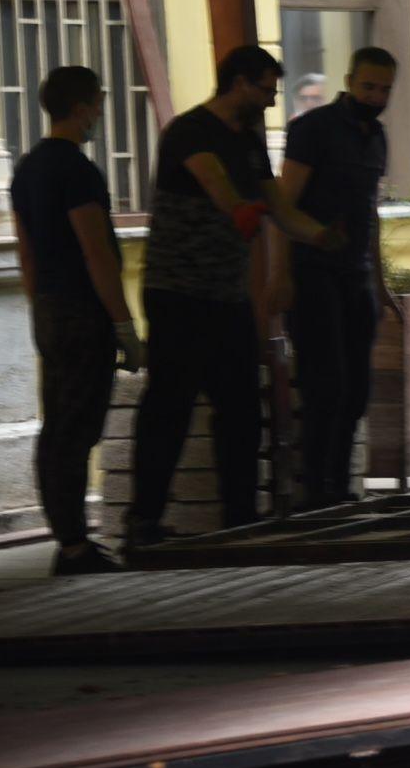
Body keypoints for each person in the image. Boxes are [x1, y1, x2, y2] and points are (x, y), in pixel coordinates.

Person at [131, 46, 343, 547]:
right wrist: (238, 211)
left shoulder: (249, 139)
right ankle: (143, 524)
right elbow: (217, 184)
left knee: (242, 410)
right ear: (239, 83)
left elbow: (275, 204)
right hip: (177, 293)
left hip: (225, 296)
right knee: (170, 406)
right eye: (266, 89)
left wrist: (318, 235)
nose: (271, 101)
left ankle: (241, 519)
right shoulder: (189, 131)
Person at [9, 67, 142, 575]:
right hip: (84, 314)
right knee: (77, 429)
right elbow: (97, 255)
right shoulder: (78, 172)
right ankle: (74, 549)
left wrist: (40, 305)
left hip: (49, 309)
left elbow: (26, 254)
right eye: (99, 105)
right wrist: (124, 326)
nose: (100, 115)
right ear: (84, 106)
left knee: (58, 425)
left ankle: (69, 542)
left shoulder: (27, 169)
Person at [276, 47, 399, 509]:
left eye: (385, 89)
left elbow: (371, 212)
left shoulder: (377, 138)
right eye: (368, 86)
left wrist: (381, 285)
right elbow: (283, 206)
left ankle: (337, 485)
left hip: (356, 277)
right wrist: (281, 276)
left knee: (355, 391)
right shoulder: (313, 130)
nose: (376, 96)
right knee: (324, 385)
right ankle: (316, 490)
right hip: (313, 273)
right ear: (349, 81)